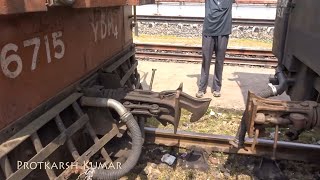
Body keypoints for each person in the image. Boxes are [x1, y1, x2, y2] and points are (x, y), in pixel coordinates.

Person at [196, 0, 236, 98]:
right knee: (206, 61)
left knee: (219, 61)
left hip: (223, 32)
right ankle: (202, 88)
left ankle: (217, 88)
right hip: (209, 31)